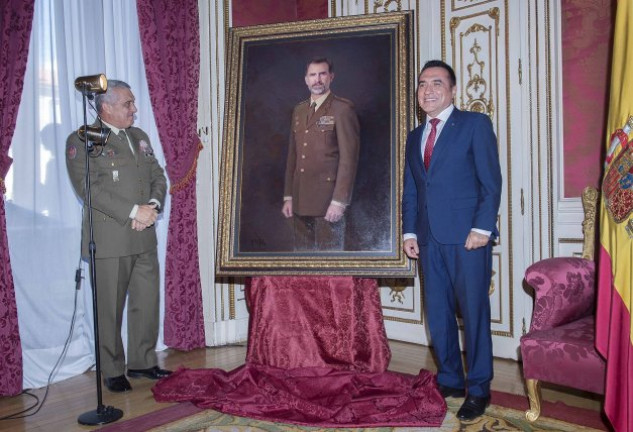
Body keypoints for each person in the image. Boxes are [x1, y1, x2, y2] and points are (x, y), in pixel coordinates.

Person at [402, 60, 502, 420]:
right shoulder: (415, 136)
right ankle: (449, 379)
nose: (428, 90)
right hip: (429, 239)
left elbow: (491, 182)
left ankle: (478, 388)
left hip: (467, 240)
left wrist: (482, 228)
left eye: (437, 83)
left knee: (474, 312)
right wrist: (409, 231)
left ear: (453, 89)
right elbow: (412, 189)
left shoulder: (475, 125)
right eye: (422, 83)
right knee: (439, 314)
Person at [66, 79, 171, 393]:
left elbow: (157, 175)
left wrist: (151, 206)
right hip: (111, 240)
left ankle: (142, 361)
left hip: (143, 236)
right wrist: (133, 211)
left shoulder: (138, 136)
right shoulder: (84, 140)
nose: (134, 109)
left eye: (133, 103)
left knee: (146, 303)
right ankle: (112, 369)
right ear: (106, 107)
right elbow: (89, 189)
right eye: (128, 103)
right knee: (109, 308)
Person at [281, 57, 360, 251]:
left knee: (330, 266)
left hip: (328, 201)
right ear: (306, 79)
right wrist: (288, 196)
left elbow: (349, 159)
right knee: (303, 262)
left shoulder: (342, 109)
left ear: (331, 77)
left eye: (322, 74)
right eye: (312, 75)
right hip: (300, 199)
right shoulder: (299, 111)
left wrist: (339, 201)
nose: (317, 80)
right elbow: (293, 155)